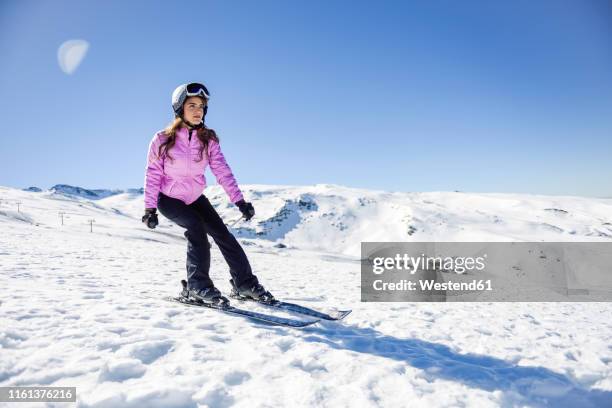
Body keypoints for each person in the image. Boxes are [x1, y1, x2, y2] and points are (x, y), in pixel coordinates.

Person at [141, 82, 273, 306]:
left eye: (201, 106)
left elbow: (222, 171)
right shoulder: (162, 139)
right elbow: (152, 174)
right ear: (179, 108)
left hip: (195, 198)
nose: (198, 110)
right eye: (192, 105)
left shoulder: (208, 140)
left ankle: (244, 283)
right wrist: (149, 208)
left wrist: (239, 201)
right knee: (196, 228)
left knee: (223, 234)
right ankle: (197, 286)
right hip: (169, 198)